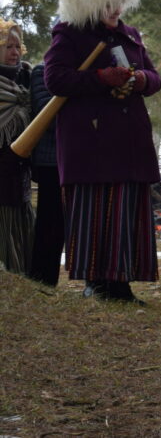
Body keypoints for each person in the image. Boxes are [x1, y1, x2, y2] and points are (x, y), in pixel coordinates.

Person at [44, 0, 161, 304]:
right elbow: (55, 79)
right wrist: (100, 78)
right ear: (90, 1)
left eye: (120, 1)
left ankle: (121, 283)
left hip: (130, 139)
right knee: (94, 212)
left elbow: (156, 78)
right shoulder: (69, 33)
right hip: (91, 141)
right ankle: (96, 283)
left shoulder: (131, 34)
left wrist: (140, 80)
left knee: (126, 210)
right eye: (109, 2)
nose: (117, 9)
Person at [0, 20, 34, 275]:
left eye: (17, 46)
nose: (14, 52)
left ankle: (21, 274)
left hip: (20, 170)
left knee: (21, 220)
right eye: (7, 46)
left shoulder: (28, 79)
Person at [27, 61, 65, 286]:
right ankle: (42, 280)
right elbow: (46, 112)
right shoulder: (41, 72)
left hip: (79, 160)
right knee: (50, 224)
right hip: (51, 161)